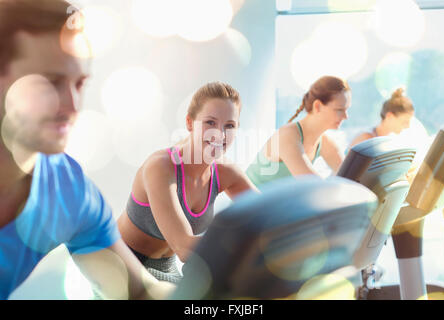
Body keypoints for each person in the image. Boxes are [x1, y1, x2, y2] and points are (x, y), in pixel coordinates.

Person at [0, 0, 174, 300]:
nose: (72, 106)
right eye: (51, 83)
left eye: (79, 83)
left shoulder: (67, 190)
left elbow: (139, 293)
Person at [117, 82, 258, 283]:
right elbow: (184, 248)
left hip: (166, 267)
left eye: (229, 125)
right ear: (190, 123)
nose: (219, 134)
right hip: (121, 263)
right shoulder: (161, 167)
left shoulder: (225, 172)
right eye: (210, 122)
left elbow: (267, 215)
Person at [246, 75, 351, 187]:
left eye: (347, 109)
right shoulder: (287, 136)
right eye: (340, 110)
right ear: (318, 106)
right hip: (248, 201)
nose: (346, 116)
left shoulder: (324, 142)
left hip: (275, 202)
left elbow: (350, 176)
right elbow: (314, 186)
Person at [349, 88, 415, 148]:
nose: (408, 126)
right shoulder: (365, 139)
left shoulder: (391, 142)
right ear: (389, 116)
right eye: (404, 122)